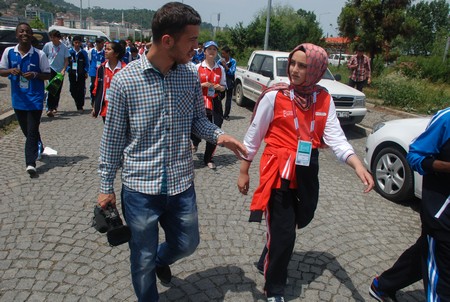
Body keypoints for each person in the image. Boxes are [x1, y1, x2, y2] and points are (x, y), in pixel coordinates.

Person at [96, 3, 247, 301]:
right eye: (192, 40)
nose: (197, 47)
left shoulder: (189, 75)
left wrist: (222, 136)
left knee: (187, 244)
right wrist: (105, 188)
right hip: (140, 191)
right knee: (141, 259)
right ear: (168, 40)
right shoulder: (126, 81)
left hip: (181, 186)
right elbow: (112, 139)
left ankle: (161, 261)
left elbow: (197, 121)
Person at [237, 43, 374, 302]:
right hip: (278, 169)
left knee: (305, 214)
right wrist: (244, 170)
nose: (295, 70)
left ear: (317, 70)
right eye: (293, 64)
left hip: (307, 166)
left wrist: (358, 166)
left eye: (303, 66)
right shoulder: (274, 95)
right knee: (284, 233)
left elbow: (336, 138)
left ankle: (270, 251)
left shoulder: (322, 98)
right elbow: (253, 136)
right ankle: (274, 288)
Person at [369, 107, 450, 302]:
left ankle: (383, 284)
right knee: (444, 284)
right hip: (443, 216)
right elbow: (415, 157)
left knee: (425, 253)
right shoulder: (447, 119)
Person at [0, 23, 51, 175]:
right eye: (21, 31)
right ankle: (39, 143)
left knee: (32, 130)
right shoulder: (9, 52)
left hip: (35, 98)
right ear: (17, 35)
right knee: (27, 131)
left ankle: (30, 163)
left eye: (27, 32)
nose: (24, 34)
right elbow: (1, 71)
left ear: (31, 35)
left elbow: (47, 74)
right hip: (18, 99)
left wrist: (35, 75)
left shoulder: (39, 54)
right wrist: (10, 71)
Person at [192, 40, 227, 169]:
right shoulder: (197, 67)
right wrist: (202, 85)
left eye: (214, 49)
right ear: (205, 52)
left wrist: (219, 87)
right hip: (200, 101)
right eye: (209, 49)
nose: (212, 51)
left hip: (215, 101)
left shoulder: (220, 69)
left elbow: (224, 87)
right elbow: (192, 86)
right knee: (196, 125)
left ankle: (208, 158)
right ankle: (195, 142)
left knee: (215, 129)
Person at [91, 41, 125, 123]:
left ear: (116, 54)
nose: (105, 51)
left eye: (109, 49)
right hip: (106, 108)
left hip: (120, 108)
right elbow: (96, 88)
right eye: (105, 49)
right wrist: (95, 105)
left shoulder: (125, 68)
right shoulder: (101, 68)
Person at [42, 29, 70, 117]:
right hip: (50, 68)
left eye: (54, 37)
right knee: (51, 89)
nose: (52, 39)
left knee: (57, 90)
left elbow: (66, 60)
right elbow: (43, 56)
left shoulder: (64, 47)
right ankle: (49, 108)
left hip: (59, 70)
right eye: (51, 37)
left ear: (59, 38)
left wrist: (64, 69)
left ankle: (54, 106)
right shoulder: (47, 45)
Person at [67, 35, 89, 112]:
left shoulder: (83, 53)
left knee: (81, 90)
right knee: (72, 90)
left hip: (81, 74)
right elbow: (66, 62)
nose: (77, 44)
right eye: (75, 42)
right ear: (73, 43)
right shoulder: (70, 52)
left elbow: (86, 63)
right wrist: (68, 69)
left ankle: (80, 106)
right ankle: (77, 100)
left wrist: (85, 71)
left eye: (78, 43)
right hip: (72, 73)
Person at [219, 45, 236, 121]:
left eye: (224, 53)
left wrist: (225, 65)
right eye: (221, 54)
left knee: (228, 99)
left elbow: (232, 72)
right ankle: (218, 112)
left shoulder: (233, 61)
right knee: (219, 97)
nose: (222, 55)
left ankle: (226, 115)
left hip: (229, 82)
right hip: (221, 82)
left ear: (228, 53)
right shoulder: (219, 61)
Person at [88, 38, 105, 104]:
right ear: (97, 44)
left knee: (100, 86)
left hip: (101, 72)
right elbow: (89, 60)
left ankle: (99, 100)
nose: (103, 45)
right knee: (93, 86)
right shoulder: (91, 51)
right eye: (101, 44)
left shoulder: (104, 52)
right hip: (93, 71)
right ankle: (93, 100)